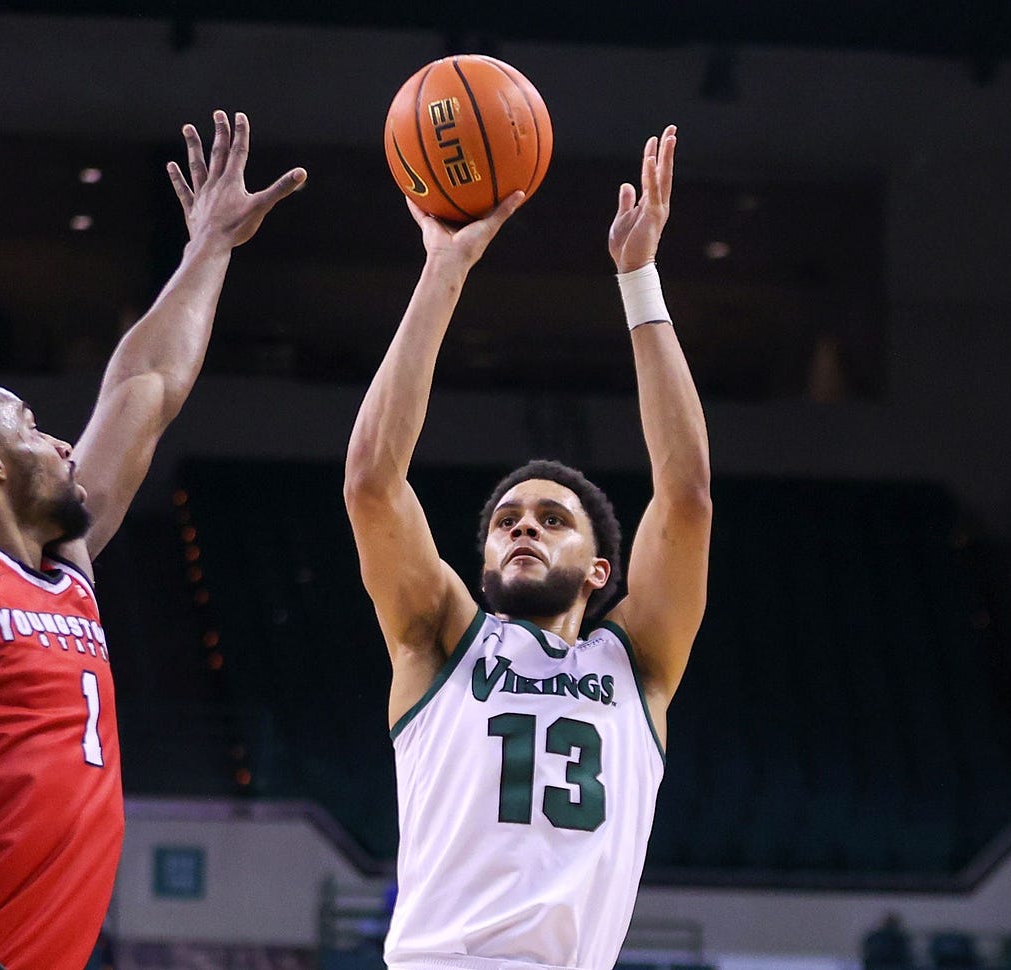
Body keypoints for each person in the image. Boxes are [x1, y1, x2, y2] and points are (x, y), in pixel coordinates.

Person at [0, 111, 304, 970]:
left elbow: (147, 384)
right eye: (34, 427)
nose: (60, 445)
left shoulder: (62, 567)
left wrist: (211, 248)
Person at [344, 126, 711, 970]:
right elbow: (371, 482)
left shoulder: (639, 666)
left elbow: (685, 495)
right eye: (509, 518)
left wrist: (639, 279)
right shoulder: (441, 638)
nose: (523, 526)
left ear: (599, 570)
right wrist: (444, 270)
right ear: (480, 564)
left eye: (553, 519)